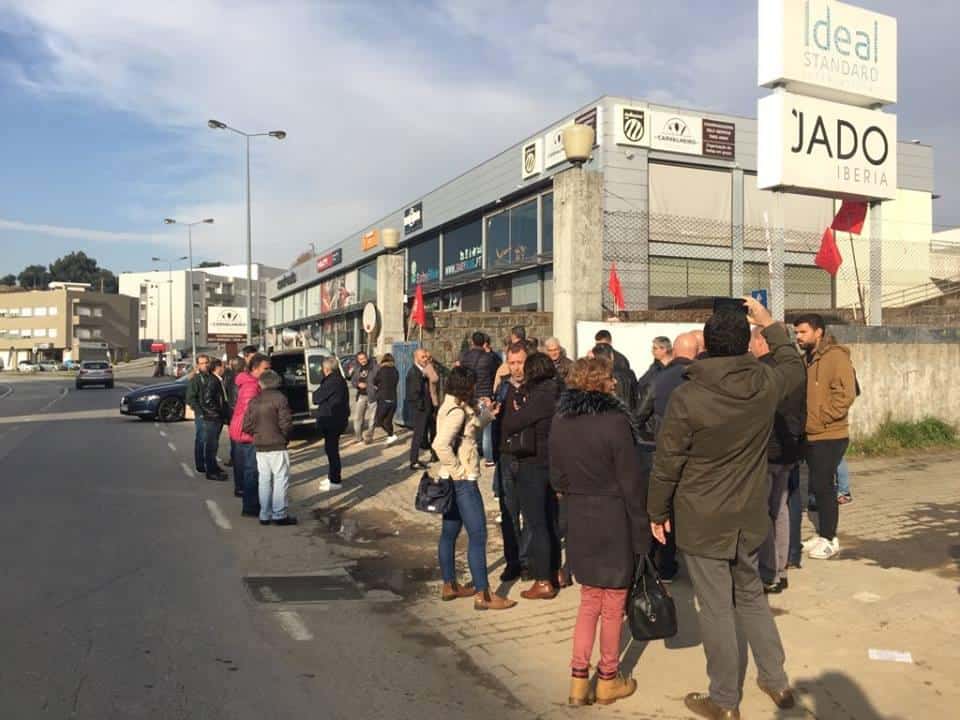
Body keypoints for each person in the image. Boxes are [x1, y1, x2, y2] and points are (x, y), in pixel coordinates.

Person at [648, 298, 804, 720]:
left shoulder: (688, 395)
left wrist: (656, 511)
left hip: (702, 518)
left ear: (705, 349)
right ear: (743, 344)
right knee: (752, 597)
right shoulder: (765, 384)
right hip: (748, 515)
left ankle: (724, 700)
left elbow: (667, 462)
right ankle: (776, 681)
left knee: (715, 607)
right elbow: (793, 362)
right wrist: (769, 323)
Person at [550, 357, 651, 707]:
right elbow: (631, 482)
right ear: (602, 382)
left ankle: (579, 681)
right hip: (614, 517)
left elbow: (556, 477)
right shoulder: (615, 422)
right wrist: (643, 530)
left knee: (589, 601)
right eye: (609, 378)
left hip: (580, 515)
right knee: (612, 604)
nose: (614, 383)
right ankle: (607, 678)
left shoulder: (561, 420)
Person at [432, 366, 516, 611]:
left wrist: (488, 415)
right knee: (478, 535)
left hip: (450, 479)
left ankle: (449, 585)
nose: (474, 389)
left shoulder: (451, 405)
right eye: (472, 385)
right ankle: (484, 594)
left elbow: (470, 429)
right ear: (464, 387)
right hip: (463, 482)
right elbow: (440, 445)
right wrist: (460, 472)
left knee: (449, 534)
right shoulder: (457, 411)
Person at [635, 331, 699, 581]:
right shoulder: (703, 380)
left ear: (673, 350)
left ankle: (663, 564)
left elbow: (639, 414)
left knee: (663, 508)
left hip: (663, 452)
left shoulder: (659, 380)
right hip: (697, 456)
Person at [794, 315, 857, 560]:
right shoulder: (808, 358)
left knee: (824, 487)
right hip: (812, 432)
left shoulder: (835, 356)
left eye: (802, 332)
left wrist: (821, 418)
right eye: (796, 332)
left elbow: (846, 394)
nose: (798, 337)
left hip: (830, 434)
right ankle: (822, 534)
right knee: (816, 487)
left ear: (818, 332)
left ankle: (831, 539)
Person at [501, 352, 562, 600]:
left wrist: (515, 407)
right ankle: (556, 571)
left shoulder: (540, 396)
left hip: (534, 464)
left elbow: (512, 424)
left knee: (536, 524)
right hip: (553, 463)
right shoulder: (558, 391)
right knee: (551, 521)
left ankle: (543, 580)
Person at [749, 327, 806, 594]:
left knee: (763, 513)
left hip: (767, 453)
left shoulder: (762, 371)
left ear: (762, 341)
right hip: (789, 449)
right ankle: (781, 568)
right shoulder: (794, 370)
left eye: (752, 341)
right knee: (780, 510)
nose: (750, 347)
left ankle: (768, 570)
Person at [493, 343, 530, 582]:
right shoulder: (503, 390)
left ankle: (527, 562)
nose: (517, 368)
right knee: (508, 513)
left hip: (529, 458)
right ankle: (512, 562)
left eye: (520, 362)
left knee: (529, 513)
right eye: (512, 362)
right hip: (506, 457)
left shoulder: (537, 389)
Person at [242, 369, 296, 526]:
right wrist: (285, 437)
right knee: (280, 479)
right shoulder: (280, 399)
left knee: (264, 480)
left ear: (261, 383)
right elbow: (286, 423)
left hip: (260, 445)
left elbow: (246, 426)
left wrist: (257, 434)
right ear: (277, 382)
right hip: (277, 444)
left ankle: (264, 514)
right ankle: (279, 514)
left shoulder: (254, 401)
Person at [230, 353, 270, 517]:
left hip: (242, 431)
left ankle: (250, 502)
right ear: (254, 368)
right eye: (265, 368)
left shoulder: (252, 383)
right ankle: (251, 506)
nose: (269, 371)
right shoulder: (252, 387)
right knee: (252, 470)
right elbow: (250, 414)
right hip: (247, 434)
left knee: (248, 469)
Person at [459, 332, 499, 466]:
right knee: (487, 427)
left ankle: (470, 453)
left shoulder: (465, 357)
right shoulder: (489, 358)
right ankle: (489, 458)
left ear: (472, 342)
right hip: (485, 395)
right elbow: (497, 366)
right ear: (484, 343)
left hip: (469, 395)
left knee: (469, 426)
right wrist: (490, 351)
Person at [312, 356, 349, 493]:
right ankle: (331, 476)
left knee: (332, 451)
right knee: (330, 449)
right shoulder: (337, 380)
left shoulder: (332, 381)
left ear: (326, 368)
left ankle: (335, 480)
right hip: (334, 419)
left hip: (333, 420)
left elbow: (316, 397)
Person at [200, 358, 231, 481]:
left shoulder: (217, 380)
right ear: (218, 368)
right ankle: (211, 471)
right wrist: (217, 412)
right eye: (222, 367)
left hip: (215, 417)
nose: (224, 369)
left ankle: (214, 467)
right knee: (211, 445)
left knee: (214, 444)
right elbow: (207, 400)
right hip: (212, 418)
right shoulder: (213, 381)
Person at [406, 348, 432, 471]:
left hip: (424, 407)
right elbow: (414, 394)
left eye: (426, 357)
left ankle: (416, 459)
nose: (425, 359)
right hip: (419, 409)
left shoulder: (422, 371)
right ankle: (414, 461)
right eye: (422, 357)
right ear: (416, 358)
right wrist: (421, 407)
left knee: (422, 434)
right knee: (418, 435)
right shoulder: (414, 373)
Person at [185, 354, 211, 475]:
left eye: (206, 362)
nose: (205, 365)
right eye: (202, 363)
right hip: (201, 414)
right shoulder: (195, 379)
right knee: (201, 439)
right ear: (198, 365)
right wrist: (199, 412)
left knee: (210, 440)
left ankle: (209, 463)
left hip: (212, 414)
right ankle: (200, 465)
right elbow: (190, 398)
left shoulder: (210, 376)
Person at [591, 344, 637, 413]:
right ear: (612, 356)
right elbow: (636, 396)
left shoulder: (598, 377)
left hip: (610, 416)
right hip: (629, 415)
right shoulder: (629, 373)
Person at [369, 353, 399, 444]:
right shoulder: (395, 370)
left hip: (383, 398)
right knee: (388, 420)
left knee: (379, 420)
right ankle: (390, 437)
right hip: (393, 398)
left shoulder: (382, 370)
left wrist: (377, 387)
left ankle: (391, 435)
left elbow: (375, 381)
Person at [348, 351, 378, 443]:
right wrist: (358, 384)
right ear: (358, 360)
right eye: (360, 359)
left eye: (364, 358)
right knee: (357, 418)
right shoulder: (357, 368)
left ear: (367, 357)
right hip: (361, 395)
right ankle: (358, 437)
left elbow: (380, 379)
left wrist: (374, 386)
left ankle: (369, 437)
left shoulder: (375, 367)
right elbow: (353, 381)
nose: (363, 361)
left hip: (373, 395)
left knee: (373, 418)